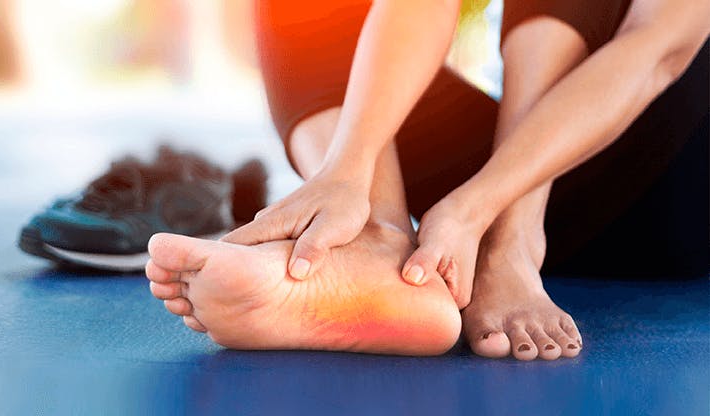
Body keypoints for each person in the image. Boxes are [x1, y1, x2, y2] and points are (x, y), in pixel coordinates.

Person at [145, 0, 709, 360]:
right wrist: (348, 169)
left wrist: (474, 209)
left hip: (663, 189)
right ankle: (377, 240)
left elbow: (657, 50)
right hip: (485, 189)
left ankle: (510, 247)